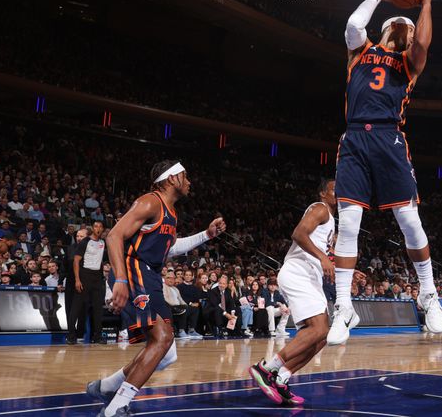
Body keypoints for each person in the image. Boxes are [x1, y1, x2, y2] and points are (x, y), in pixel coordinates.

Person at [329, 0, 442, 345]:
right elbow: (352, 23)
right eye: (398, 22)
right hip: (354, 140)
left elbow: (424, 42)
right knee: (347, 224)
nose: (404, 26)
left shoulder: (410, 63)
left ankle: (428, 293)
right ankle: (343, 306)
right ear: (384, 28)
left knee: (409, 220)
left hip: (389, 137)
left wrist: (425, 2)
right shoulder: (359, 51)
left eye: (408, 26)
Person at [85, 160, 226, 417]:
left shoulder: (170, 213)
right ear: (171, 178)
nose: (189, 181)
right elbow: (114, 235)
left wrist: (207, 235)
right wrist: (120, 280)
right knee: (161, 338)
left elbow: (170, 248)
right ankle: (116, 408)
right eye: (185, 176)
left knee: (167, 353)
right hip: (133, 270)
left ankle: (106, 387)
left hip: (150, 276)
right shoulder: (150, 202)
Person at [250, 179, 337, 407]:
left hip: (310, 276)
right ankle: (267, 369)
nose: (340, 192)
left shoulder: (331, 219)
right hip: (299, 271)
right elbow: (298, 234)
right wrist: (323, 258)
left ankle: (281, 378)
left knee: (321, 336)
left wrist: (345, 268)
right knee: (319, 328)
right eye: (334, 189)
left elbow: (323, 251)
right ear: (323, 193)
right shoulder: (320, 208)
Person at [67, 227, 107, 344]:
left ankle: (97, 336)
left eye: (82, 236)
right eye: (77, 236)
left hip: (95, 282)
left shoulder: (98, 246)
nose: (79, 238)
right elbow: (69, 265)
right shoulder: (72, 249)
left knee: (97, 309)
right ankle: (71, 336)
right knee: (75, 309)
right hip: (77, 282)